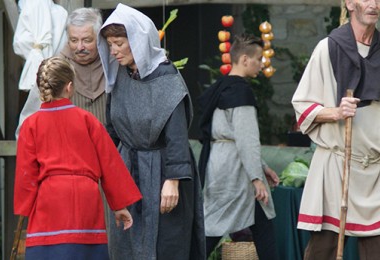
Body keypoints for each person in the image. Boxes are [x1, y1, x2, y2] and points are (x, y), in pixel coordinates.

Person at [291, 0, 380, 259]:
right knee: (321, 253)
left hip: (379, 173)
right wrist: (335, 112)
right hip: (337, 167)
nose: (373, 4)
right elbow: (302, 105)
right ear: (349, 3)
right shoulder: (328, 48)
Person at [97, 3, 205, 260]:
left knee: (166, 244)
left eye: (119, 43)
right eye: (110, 44)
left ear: (138, 39)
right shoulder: (122, 77)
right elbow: (112, 130)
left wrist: (174, 180)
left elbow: (177, 134)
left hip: (163, 173)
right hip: (128, 172)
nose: (113, 51)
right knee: (127, 242)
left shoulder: (166, 76)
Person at [14, 57, 142, 260]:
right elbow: (109, 162)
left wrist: (25, 206)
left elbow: (26, 171)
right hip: (86, 198)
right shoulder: (87, 120)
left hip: (50, 198)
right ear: (70, 86)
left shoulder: (31, 125)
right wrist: (119, 206)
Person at [198, 34, 280, 259]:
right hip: (235, 171)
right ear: (244, 59)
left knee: (261, 226)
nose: (261, 64)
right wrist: (256, 177)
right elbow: (246, 139)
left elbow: (238, 137)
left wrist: (262, 168)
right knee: (213, 230)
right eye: (258, 59)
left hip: (220, 164)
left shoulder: (222, 87)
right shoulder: (240, 92)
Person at [17, 7, 108, 138]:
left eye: (87, 40)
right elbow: (27, 124)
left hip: (111, 152)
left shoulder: (113, 63)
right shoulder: (54, 69)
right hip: (67, 153)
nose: (80, 47)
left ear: (99, 37)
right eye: (74, 40)